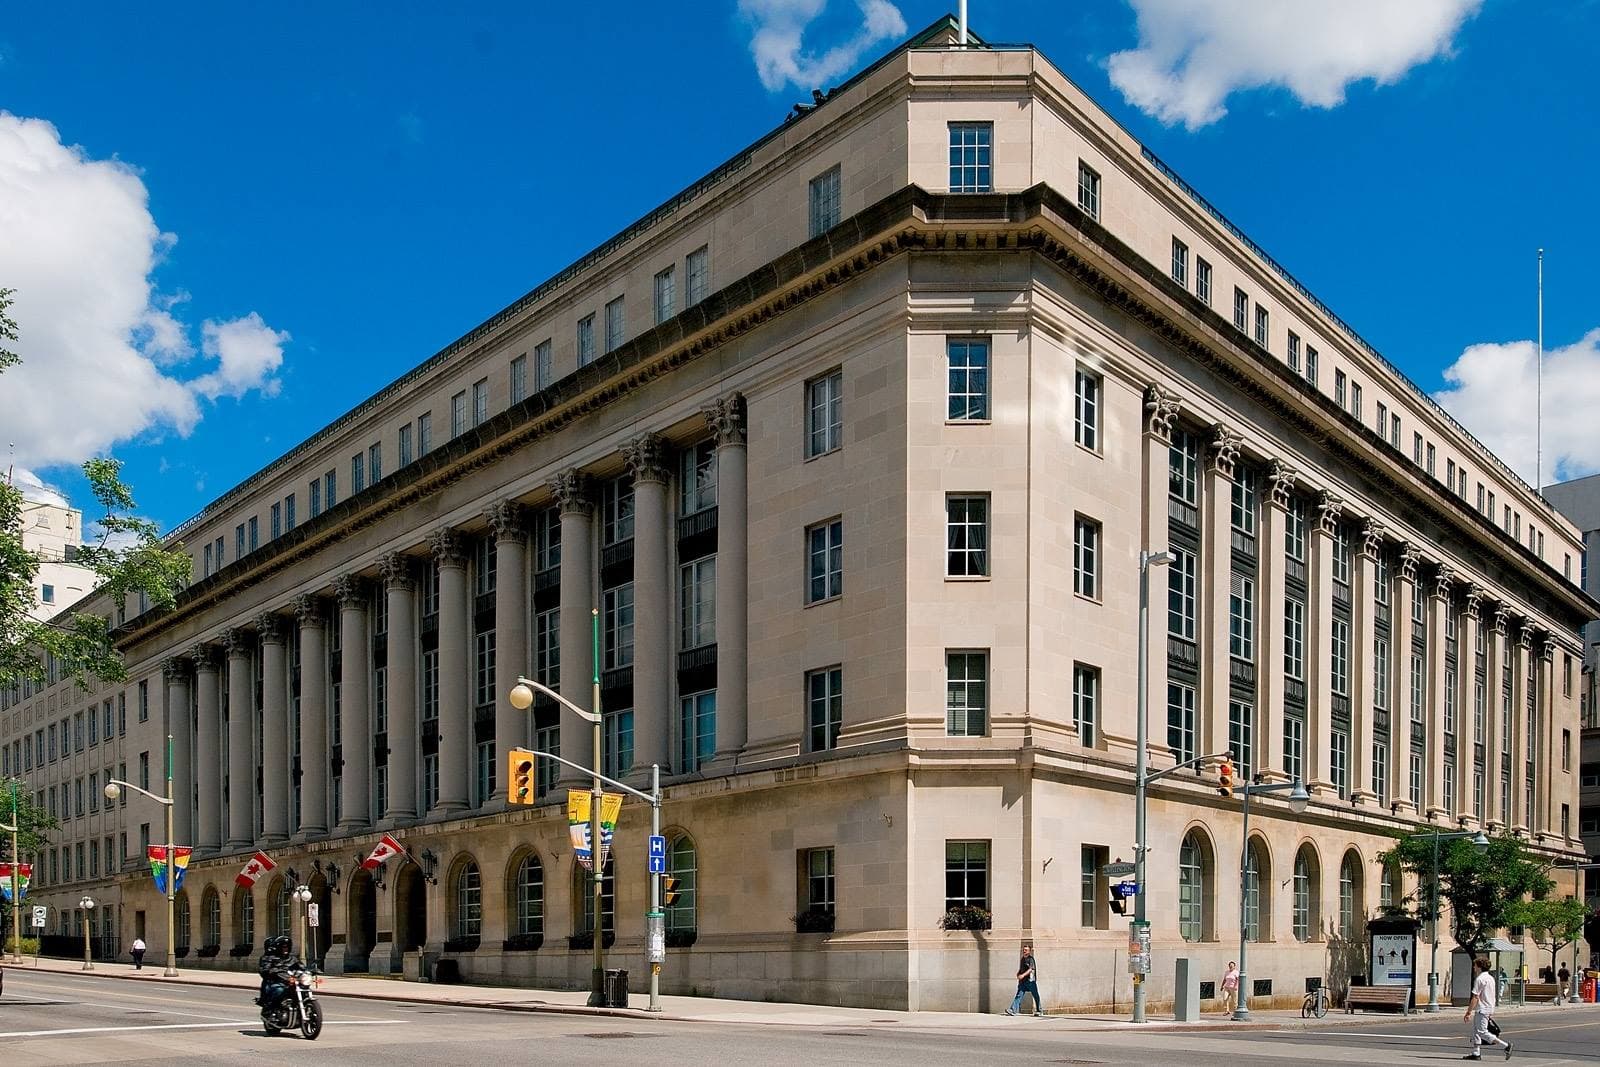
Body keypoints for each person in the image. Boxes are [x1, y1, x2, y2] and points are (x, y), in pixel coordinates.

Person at [1463, 955, 1512, 1060]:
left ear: (1479, 967)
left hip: (1482, 1008)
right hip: (1488, 1006)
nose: (1474, 968)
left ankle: (1506, 1045)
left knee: (1482, 1031)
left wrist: (1468, 1012)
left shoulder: (1479, 979)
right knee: (1476, 1030)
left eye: (1475, 966)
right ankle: (1476, 1053)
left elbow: (1475, 997)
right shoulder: (1490, 978)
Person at [257, 935, 295, 1018]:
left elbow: (300, 966)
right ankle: (269, 1009)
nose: (286, 949)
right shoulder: (270, 958)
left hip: (290, 982)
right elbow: (264, 969)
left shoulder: (292, 958)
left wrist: (309, 971)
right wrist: (272, 971)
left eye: (287, 947)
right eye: (284, 947)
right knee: (279, 990)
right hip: (278, 982)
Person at [1006, 944, 1043, 1017]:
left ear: (1029, 951)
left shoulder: (1031, 959)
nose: (1024, 951)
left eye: (1026, 950)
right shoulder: (1023, 959)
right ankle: (1013, 1010)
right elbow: (1021, 968)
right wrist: (1019, 973)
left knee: (1035, 995)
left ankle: (1039, 1010)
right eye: (1024, 950)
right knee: (1019, 995)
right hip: (1023, 982)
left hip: (1030, 981)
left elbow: (1031, 969)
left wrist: (1023, 975)